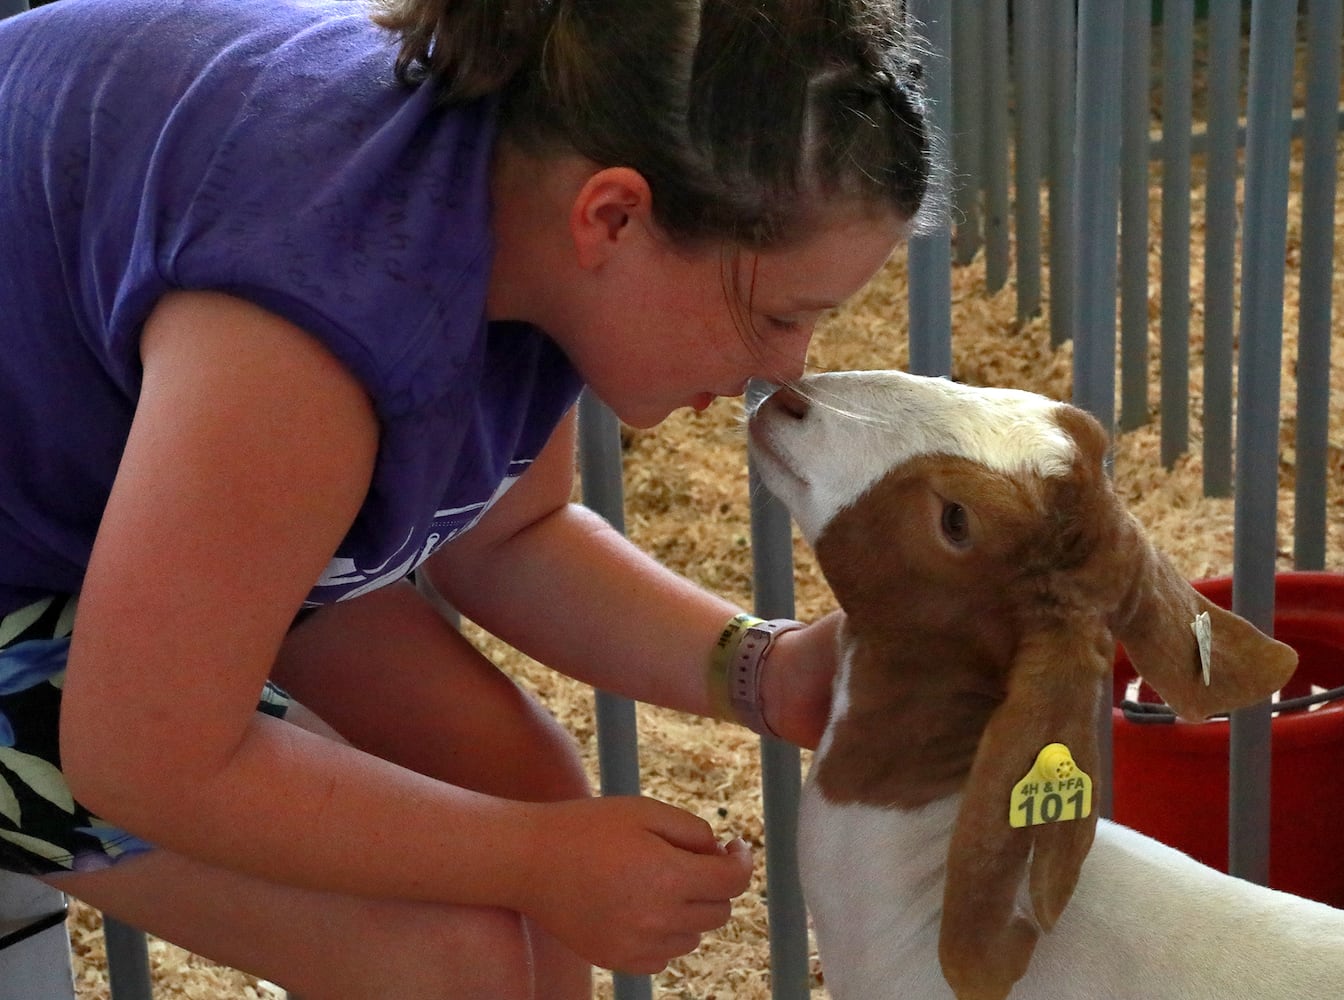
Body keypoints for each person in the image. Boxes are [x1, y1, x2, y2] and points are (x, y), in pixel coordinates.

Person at [0, 0, 932, 994]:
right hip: (40, 567)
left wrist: (765, 669)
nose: (785, 367)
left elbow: (512, 538)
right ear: (613, 216)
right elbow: (144, 758)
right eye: (777, 314)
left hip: (84, 508)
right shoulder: (316, 315)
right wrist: (535, 860)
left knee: (522, 775)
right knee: (443, 952)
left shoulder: (520, 188)